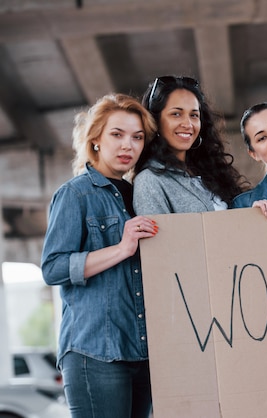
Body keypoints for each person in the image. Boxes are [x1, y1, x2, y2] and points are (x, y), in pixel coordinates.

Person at [41, 93, 159, 418]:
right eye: (117, 134)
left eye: (137, 137)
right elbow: (52, 268)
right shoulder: (74, 195)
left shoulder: (141, 196)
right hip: (94, 351)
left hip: (142, 351)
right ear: (95, 140)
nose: (128, 145)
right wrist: (122, 249)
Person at [133, 75, 248, 215]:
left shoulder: (210, 170)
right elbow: (160, 237)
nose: (188, 124)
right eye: (176, 114)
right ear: (155, 121)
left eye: (194, 115)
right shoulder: (149, 181)